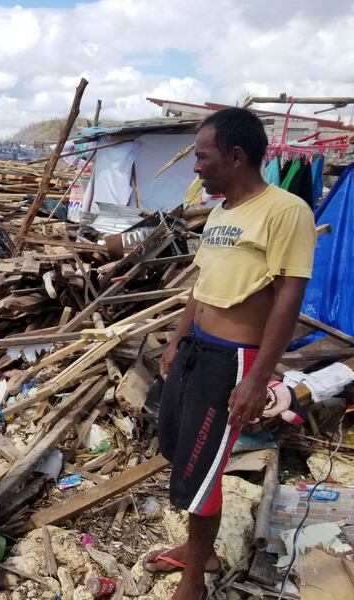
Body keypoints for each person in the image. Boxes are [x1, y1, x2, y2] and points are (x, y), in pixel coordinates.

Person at [144, 108, 317, 600]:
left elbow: (288, 297)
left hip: (234, 360)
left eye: (202, 156)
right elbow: (202, 285)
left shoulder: (286, 211)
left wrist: (258, 378)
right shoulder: (221, 213)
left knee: (203, 466)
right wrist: (177, 341)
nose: (195, 167)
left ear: (236, 156)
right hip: (197, 350)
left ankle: (194, 578)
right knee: (183, 456)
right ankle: (203, 550)